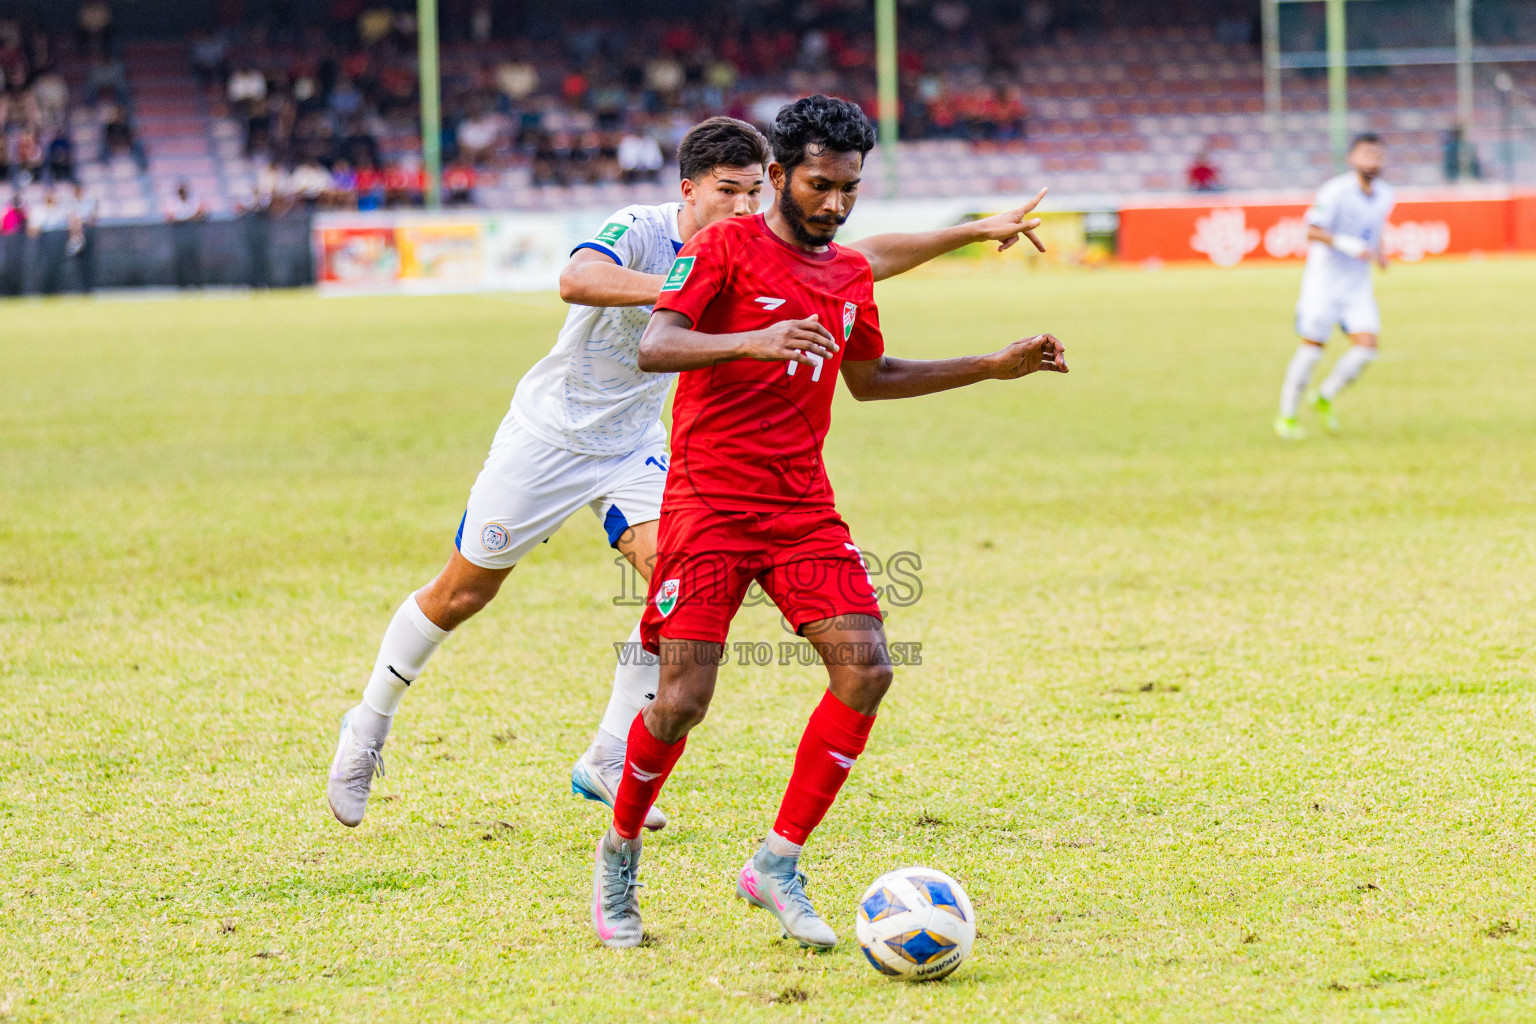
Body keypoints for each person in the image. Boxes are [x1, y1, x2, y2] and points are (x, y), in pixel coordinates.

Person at [325, 114, 1052, 832]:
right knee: (462, 594)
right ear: (688, 189)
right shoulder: (643, 228)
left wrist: (973, 229)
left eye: (750, 195)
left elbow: (865, 255)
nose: (741, 208)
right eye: (726, 192)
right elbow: (577, 278)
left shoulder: (753, 246)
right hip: (548, 436)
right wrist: (688, 286)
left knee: (674, 583)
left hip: (637, 442)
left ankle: (609, 756)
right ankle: (368, 723)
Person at [589, 95, 1068, 950]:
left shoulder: (847, 273)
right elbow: (655, 344)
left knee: (867, 669)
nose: (837, 204)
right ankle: (620, 848)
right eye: (820, 185)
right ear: (777, 176)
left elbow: (872, 379)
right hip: (705, 506)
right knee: (683, 700)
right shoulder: (722, 247)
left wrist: (990, 367)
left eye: (850, 188)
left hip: (801, 509)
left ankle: (775, 863)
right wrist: (753, 341)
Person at [1274, 134, 1394, 440]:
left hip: (1357, 287)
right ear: (1352, 158)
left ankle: (1324, 395)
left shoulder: (1385, 195)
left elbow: (1373, 230)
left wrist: (1379, 253)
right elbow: (1312, 230)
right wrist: (1347, 244)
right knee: (1313, 350)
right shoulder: (1335, 191)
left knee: (1367, 349)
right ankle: (1287, 416)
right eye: (1366, 154)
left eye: (1377, 155)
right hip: (1324, 286)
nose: (1373, 160)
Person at [28, 188, 70, 295]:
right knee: (44, 266)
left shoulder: (60, 210)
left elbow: (66, 224)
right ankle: (43, 290)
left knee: (58, 266)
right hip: (44, 241)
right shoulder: (38, 210)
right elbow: (33, 230)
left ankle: (57, 289)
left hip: (58, 241)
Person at [165, 182, 207, 289]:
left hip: (192, 234)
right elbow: (170, 218)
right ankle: (182, 285)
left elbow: (202, 215)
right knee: (180, 260)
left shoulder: (194, 201)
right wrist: (190, 218)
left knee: (194, 260)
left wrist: (183, 218)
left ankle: (198, 284)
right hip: (179, 235)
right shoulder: (173, 203)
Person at [68, 183, 98, 294]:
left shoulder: (89, 202)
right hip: (77, 232)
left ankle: (89, 287)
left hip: (87, 231)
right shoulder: (71, 203)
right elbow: (71, 219)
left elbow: (93, 218)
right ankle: (81, 288)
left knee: (88, 262)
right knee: (79, 262)